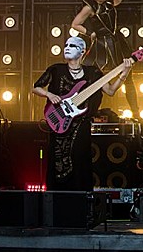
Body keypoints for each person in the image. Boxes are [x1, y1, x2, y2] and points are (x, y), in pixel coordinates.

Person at [32, 36, 132, 191]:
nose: (67, 47)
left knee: (80, 161)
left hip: (81, 126)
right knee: (57, 161)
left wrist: (124, 73)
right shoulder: (56, 69)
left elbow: (111, 91)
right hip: (59, 124)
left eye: (72, 45)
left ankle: (80, 201)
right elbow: (36, 87)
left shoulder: (93, 73)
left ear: (83, 51)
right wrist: (49, 95)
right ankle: (55, 200)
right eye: (66, 45)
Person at [71, 0, 139, 117]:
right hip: (101, 44)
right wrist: (91, 33)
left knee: (128, 76)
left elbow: (117, 0)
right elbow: (75, 24)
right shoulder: (89, 7)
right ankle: (82, 112)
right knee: (92, 79)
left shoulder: (109, 1)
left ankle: (136, 112)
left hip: (116, 43)